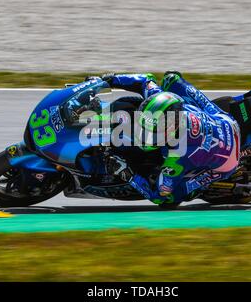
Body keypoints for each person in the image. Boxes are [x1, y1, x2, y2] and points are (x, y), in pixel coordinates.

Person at [102, 71, 241, 206]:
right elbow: (146, 80)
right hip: (223, 119)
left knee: (171, 198)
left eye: (152, 134)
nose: (145, 136)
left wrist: (127, 173)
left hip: (229, 159)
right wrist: (110, 80)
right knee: (171, 78)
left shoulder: (176, 157)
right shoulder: (162, 99)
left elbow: (159, 196)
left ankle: (199, 186)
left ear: (169, 131)